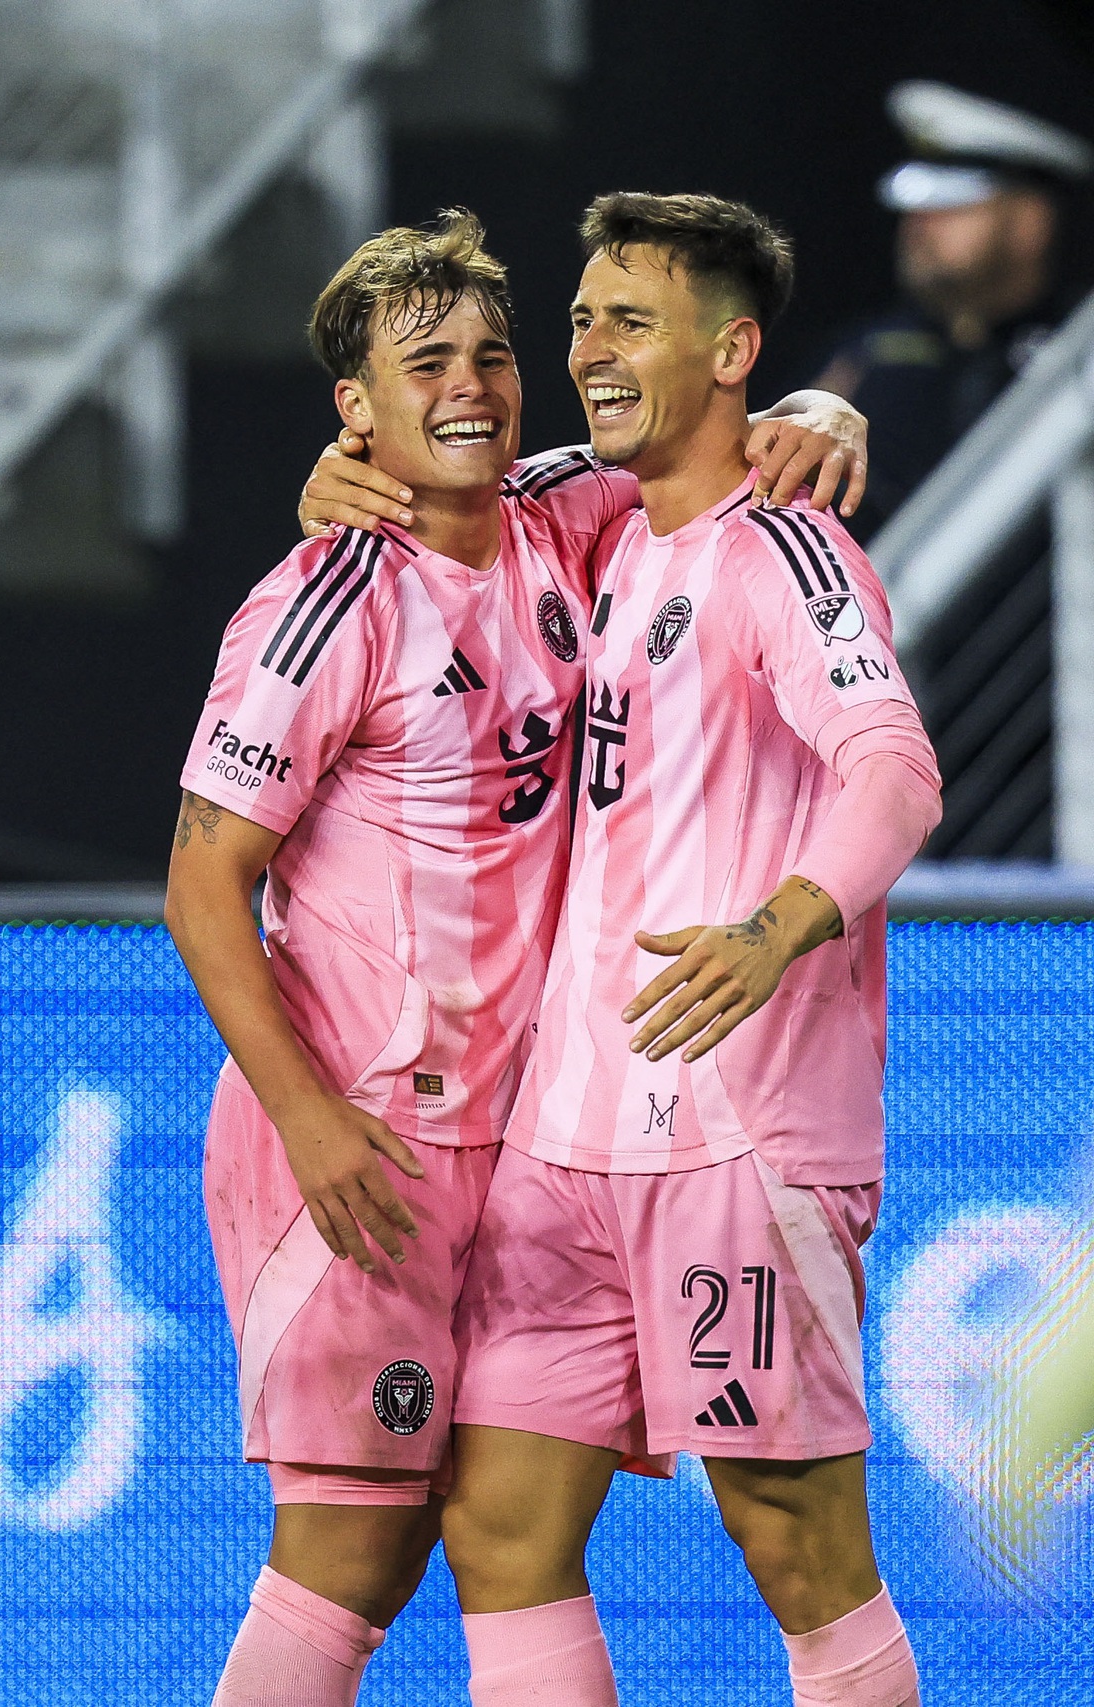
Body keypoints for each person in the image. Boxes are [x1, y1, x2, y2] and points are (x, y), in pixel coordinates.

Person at [164, 211, 865, 1707]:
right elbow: (201, 882)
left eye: (493, 352)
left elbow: (697, 449)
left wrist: (817, 410)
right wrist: (305, 1118)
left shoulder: (563, 520)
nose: (473, 384)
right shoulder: (326, 597)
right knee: (347, 1550)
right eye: (426, 365)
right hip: (357, 1130)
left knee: (489, 1529)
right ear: (355, 406)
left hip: (524, 1134)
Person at [433, 195, 939, 1707]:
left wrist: (777, 928)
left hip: (736, 1138)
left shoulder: (782, 549)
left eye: (628, 320)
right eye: (581, 316)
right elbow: (452, 476)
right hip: (566, 1141)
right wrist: (344, 475)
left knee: (793, 1542)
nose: (587, 347)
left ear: (732, 352)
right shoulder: (600, 532)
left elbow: (896, 771)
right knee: (498, 1524)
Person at [814, 81, 1091, 533]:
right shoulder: (861, 355)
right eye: (917, 202)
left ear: (1029, 222)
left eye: (952, 202)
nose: (920, 222)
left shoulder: (1081, 347)